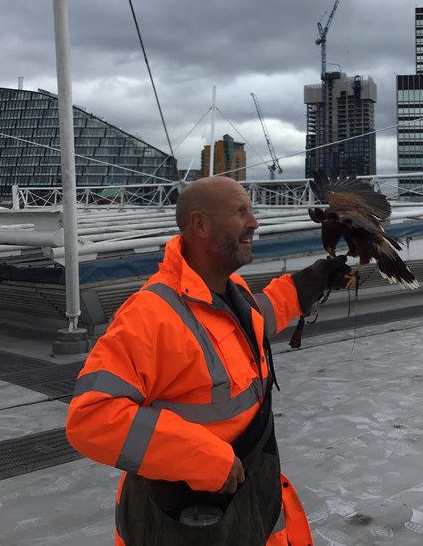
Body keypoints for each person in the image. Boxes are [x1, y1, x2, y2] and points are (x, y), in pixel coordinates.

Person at [66, 175, 350, 546]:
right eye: (240, 211)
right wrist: (203, 459)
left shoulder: (233, 292)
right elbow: (90, 417)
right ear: (200, 224)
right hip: (187, 521)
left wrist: (309, 282)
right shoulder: (152, 314)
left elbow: (254, 321)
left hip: (246, 508)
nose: (254, 222)